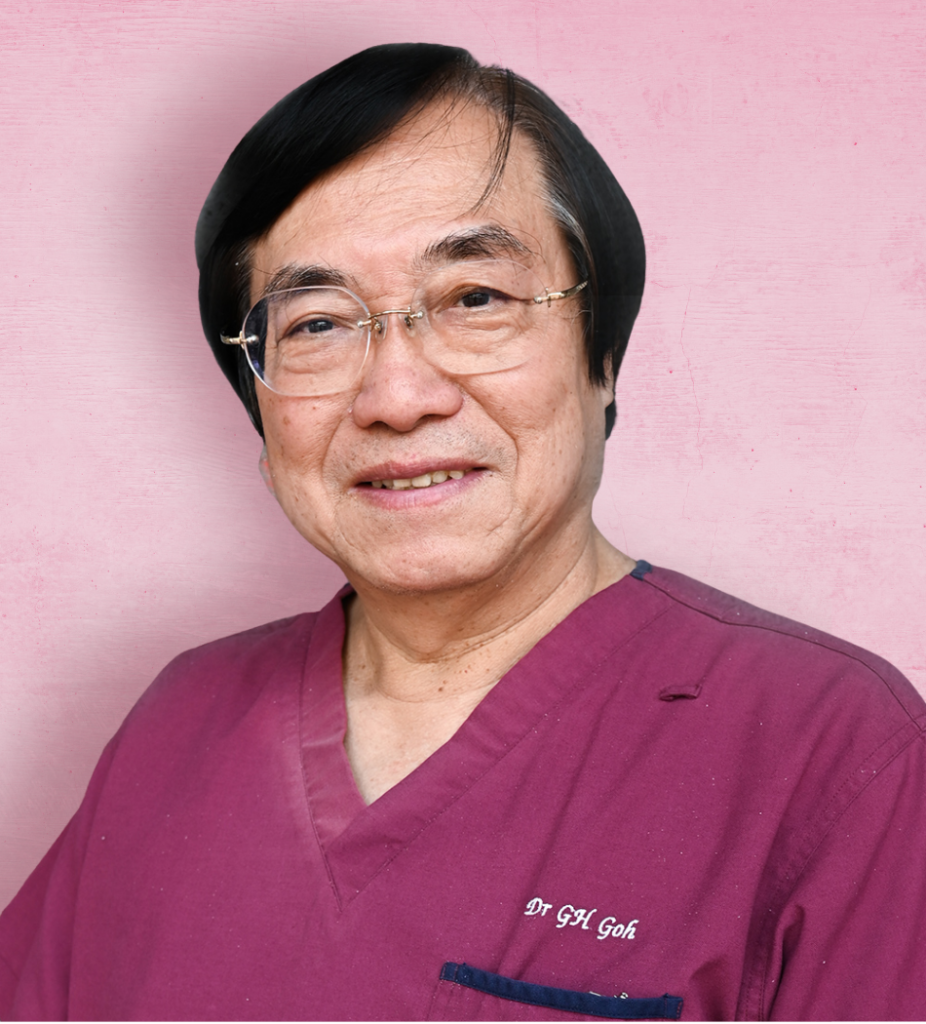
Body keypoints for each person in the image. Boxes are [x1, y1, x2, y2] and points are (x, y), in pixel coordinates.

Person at [1, 41, 924, 1022]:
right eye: (316, 324)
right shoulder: (181, 721)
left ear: (602, 359)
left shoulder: (832, 750)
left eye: (475, 299)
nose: (396, 397)